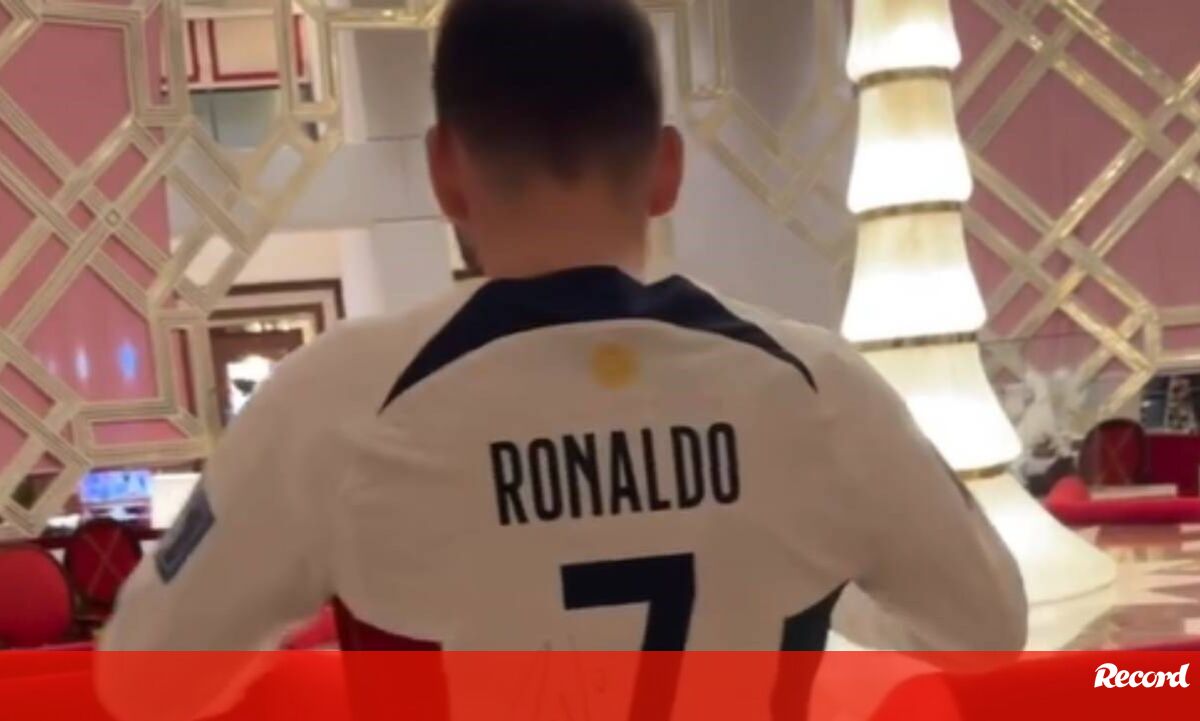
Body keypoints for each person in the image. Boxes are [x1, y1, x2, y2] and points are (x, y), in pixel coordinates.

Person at [100, 0, 1025, 708]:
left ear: (445, 171)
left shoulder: (332, 404)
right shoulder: (824, 392)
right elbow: (988, 629)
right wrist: (816, 562)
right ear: (666, 168)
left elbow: (143, 681)